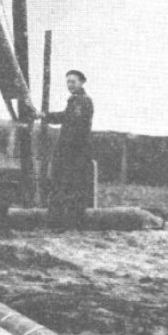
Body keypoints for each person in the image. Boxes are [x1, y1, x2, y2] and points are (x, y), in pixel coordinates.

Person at [40, 69, 94, 230]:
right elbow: (64, 116)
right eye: (68, 81)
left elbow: (74, 126)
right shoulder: (75, 101)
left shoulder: (82, 102)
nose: (70, 85)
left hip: (73, 153)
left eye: (73, 81)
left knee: (66, 187)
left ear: (82, 82)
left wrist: (65, 152)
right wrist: (44, 115)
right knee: (67, 187)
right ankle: (68, 223)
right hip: (71, 152)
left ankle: (63, 223)